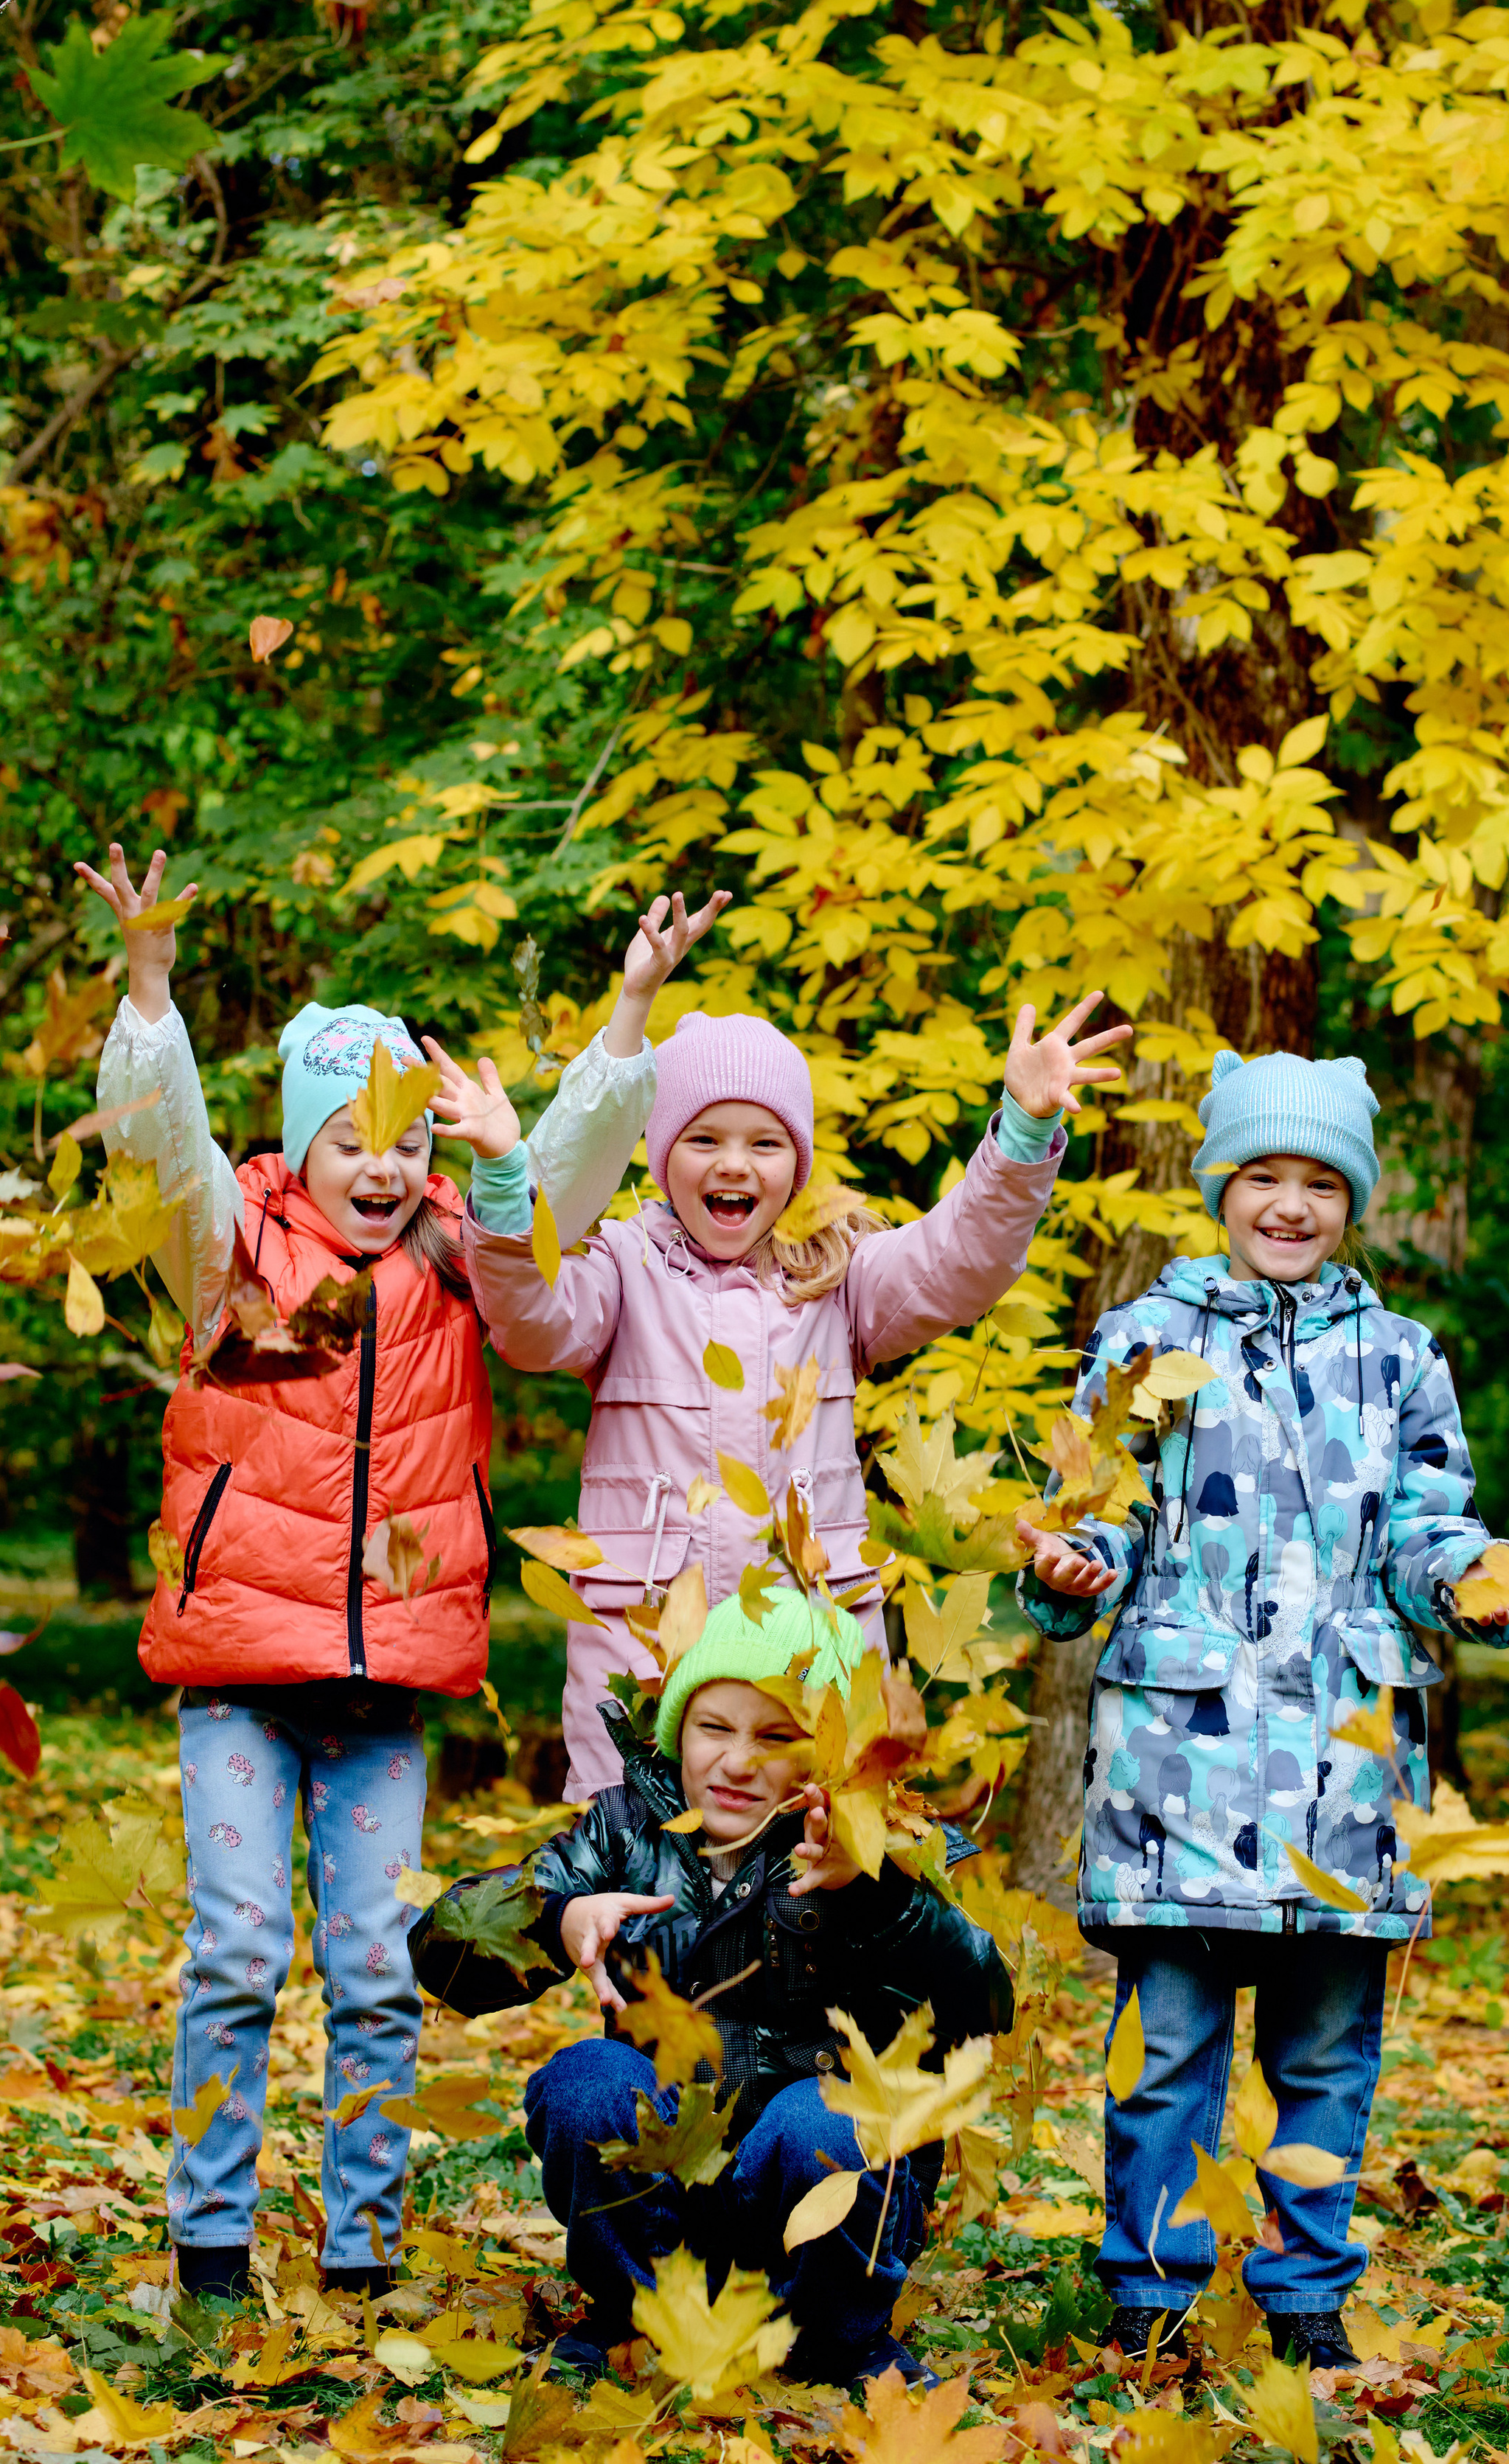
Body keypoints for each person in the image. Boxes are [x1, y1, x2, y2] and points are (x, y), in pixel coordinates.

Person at [77, 841, 724, 2302]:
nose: (382, 1167)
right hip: (240, 1674)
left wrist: (625, 1020)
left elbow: (549, 1172)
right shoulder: (223, 1248)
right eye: (351, 1141)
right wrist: (151, 984)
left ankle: (361, 2253)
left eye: (404, 1141)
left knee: (374, 1976)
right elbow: (161, 1142)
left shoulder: (455, 1252)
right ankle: (208, 2251)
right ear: (302, 1147)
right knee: (239, 1956)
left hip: (384, 1689)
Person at [1015, 1048, 1509, 2373]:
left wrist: (1469, 1574)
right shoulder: (1147, 1341)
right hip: (1179, 1766)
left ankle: (1305, 2292)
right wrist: (1077, 1564)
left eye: (1318, 1181)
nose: (1289, 1204)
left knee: (1325, 2054)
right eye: (1263, 1176)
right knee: (1170, 2048)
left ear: (1352, 1200)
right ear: (1220, 1188)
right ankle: (1154, 2292)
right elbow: (1105, 1506)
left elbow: (1429, 1524)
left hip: (1343, 1778)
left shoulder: (1403, 1359)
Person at [434, 988, 1133, 1795]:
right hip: (645, 1651)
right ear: (663, 1156)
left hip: (813, 1651)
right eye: (704, 1139)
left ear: (795, 1165)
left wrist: (1021, 1133)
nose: (734, 1163)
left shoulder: (836, 1277)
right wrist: (499, 1182)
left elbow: (960, 1257)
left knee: (811, 1882)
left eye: (765, 1142)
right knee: (642, 1883)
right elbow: (529, 1322)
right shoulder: (622, 1266)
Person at [410, 1586, 1012, 2384]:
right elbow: (442, 1953)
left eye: (774, 1736)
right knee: (587, 2082)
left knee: (830, 2119)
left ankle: (839, 2337)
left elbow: (986, 1998)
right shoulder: (626, 1830)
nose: (734, 1761)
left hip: (816, 2191)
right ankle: (639, 2318)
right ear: (677, 1732)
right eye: (713, 1728)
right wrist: (554, 1920)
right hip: (667, 2183)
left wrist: (875, 1892)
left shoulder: (892, 1845)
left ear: (829, 1754)